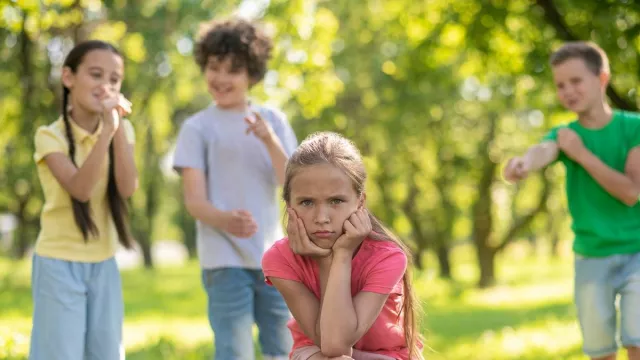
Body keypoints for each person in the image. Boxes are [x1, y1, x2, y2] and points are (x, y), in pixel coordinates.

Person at [503, 41, 640, 360]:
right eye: (560, 85)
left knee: (637, 341)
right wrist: (523, 162)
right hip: (591, 255)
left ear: (602, 78)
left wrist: (581, 154)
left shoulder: (633, 128)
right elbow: (544, 150)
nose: (567, 91)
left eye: (576, 81)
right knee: (599, 349)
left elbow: (632, 192)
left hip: (637, 251)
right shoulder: (563, 134)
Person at [172, 17, 297, 360]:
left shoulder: (273, 121)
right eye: (214, 67)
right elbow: (194, 202)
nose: (221, 78)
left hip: (274, 257)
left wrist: (269, 140)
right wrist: (226, 220)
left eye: (233, 70)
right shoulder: (197, 128)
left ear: (252, 75)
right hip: (222, 259)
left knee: (284, 347)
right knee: (234, 349)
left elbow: (294, 185)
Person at [262, 132, 423, 360]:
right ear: (289, 205)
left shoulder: (387, 257)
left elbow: (336, 347)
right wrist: (327, 260)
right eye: (306, 202)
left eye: (336, 201)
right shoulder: (279, 258)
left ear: (360, 202)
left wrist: (342, 254)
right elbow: (333, 346)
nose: (322, 217)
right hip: (317, 352)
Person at [30, 40, 137, 360]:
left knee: (107, 353)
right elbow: (80, 189)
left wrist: (116, 129)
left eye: (114, 79)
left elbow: (128, 187)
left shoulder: (122, 130)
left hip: (104, 263)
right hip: (57, 263)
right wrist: (106, 131)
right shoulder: (49, 136)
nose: (106, 85)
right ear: (68, 77)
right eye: (95, 74)